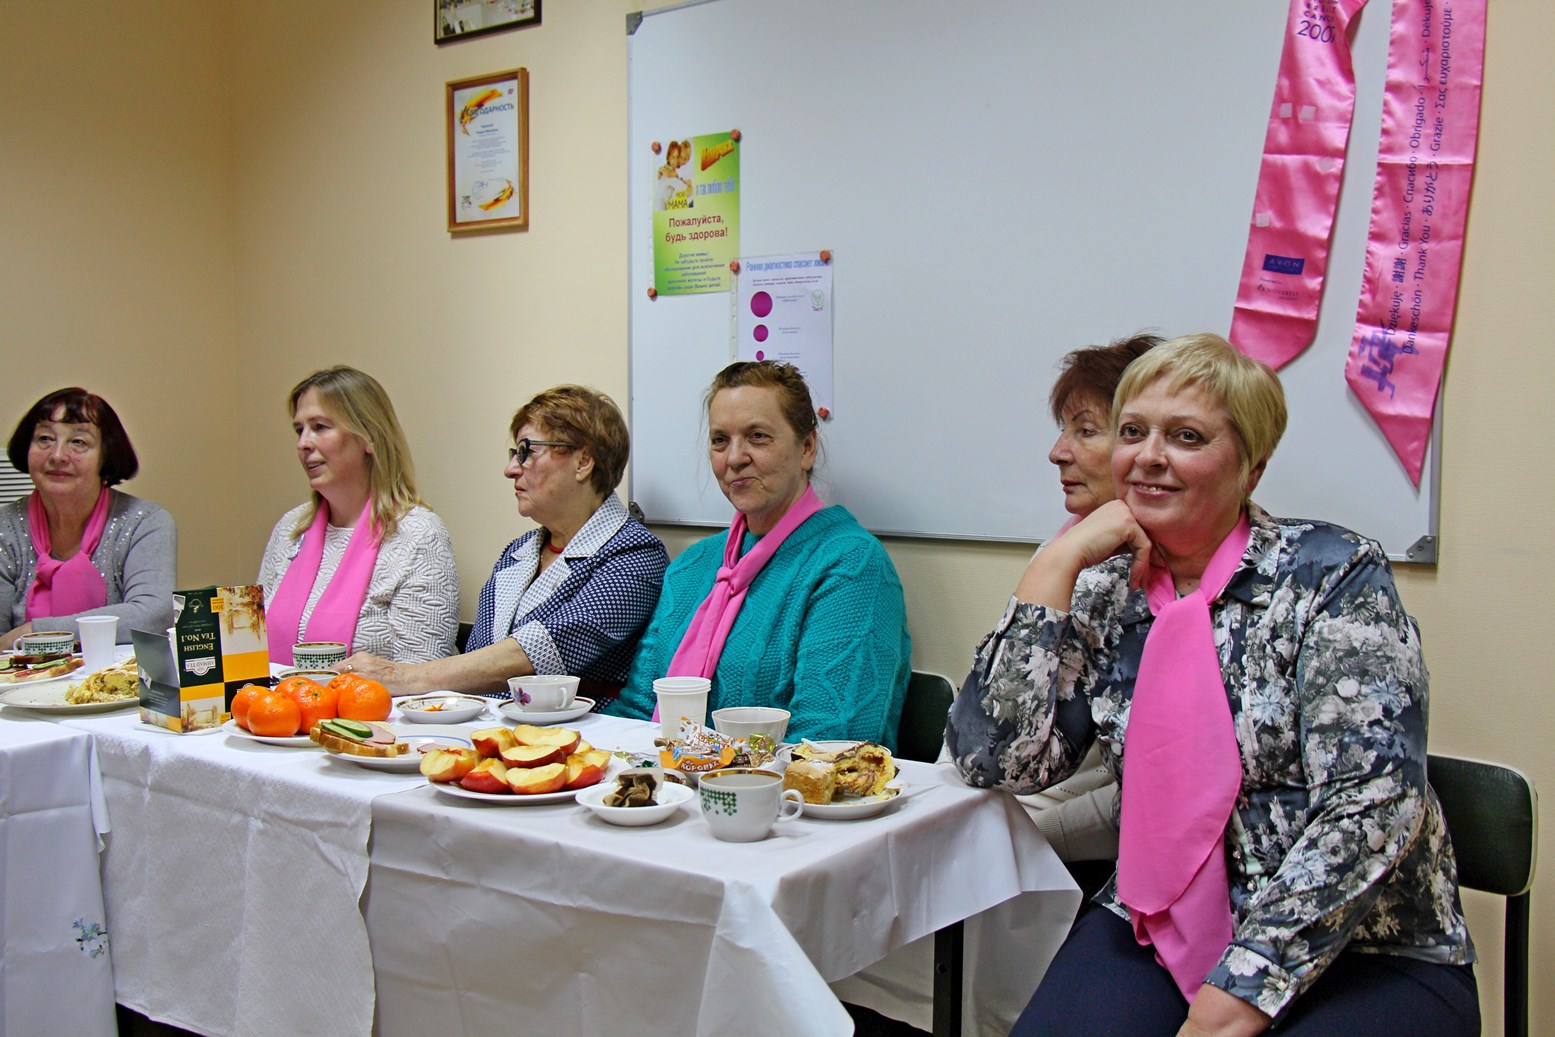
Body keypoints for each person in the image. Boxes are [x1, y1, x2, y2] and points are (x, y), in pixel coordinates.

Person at [947, 334, 1477, 1037]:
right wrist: (1054, 565)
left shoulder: (1332, 574)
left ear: (1251, 467)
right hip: (1157, 919)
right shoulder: (1105, 589)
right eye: (1132, 432)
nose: (1148, 456)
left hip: (1363, 942)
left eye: (1186, 436)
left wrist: (1242, 987)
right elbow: (998, 762)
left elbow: (1372, 802)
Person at [607, 360, 911, 748]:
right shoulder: (691, 568)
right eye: (720, 440)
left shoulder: (850, 565)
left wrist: (700, 771)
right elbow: (637, 711)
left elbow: (830, 741)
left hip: (782, 786)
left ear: (806, 448)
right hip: (671, 779)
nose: (734, 458)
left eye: (757, 436)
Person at [341, 385, 667, 704]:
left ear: (583, 461)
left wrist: (402, 677)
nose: (510, 469)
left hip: (581, 731)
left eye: (526, 452)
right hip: (491, 725)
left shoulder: (636, 554)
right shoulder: (518, 552)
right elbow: (479, 656)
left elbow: (545, 650)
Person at [1021, 333, 1159, 866]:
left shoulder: (1174, 576)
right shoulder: (1064, 550)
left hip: (1095, 825)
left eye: (1085, 431)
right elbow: (993, 711)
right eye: (1063, 429)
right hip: (1026, 787)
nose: (1058, 452)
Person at [259, 366, 458, 665]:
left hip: (372, 698)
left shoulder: (418, 534)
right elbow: (254, 640)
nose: (303, 443)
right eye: (300, 430)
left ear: (368, 437)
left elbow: (423, 675)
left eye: (320, 427)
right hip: (279, 696)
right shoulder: (290, 528)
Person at [0, 388, 176, 648]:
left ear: (106, 455)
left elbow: (153, 616)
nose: (57, 455)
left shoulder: (145, 522)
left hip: (119, 673)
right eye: (45, 438)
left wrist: (36, 632)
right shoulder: (5, 527)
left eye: (78, 442)